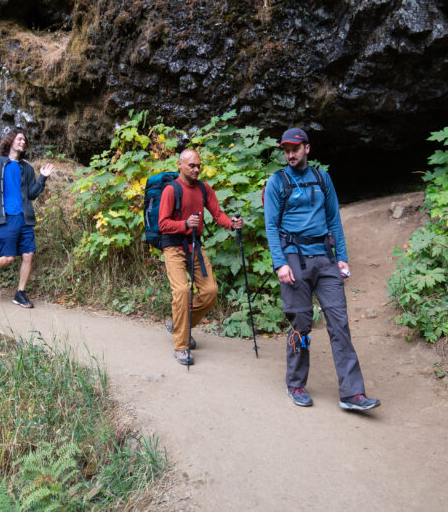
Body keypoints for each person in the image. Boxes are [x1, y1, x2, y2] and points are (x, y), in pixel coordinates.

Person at [263, 128, 380, 411]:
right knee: (301, 324)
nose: (290, 154)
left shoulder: (321, 178)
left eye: (295, 148)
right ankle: (296, 383)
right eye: (286, 150)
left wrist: (342, 257)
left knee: (339, 322)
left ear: (307, 148)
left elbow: (334, 220)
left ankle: (352, 393)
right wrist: (279, 263)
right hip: (293, 258)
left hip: (324, 258)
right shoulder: (277, 182)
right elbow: (271, 226)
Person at [158, 148, 243, 366]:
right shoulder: (171, 190)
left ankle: (178, 323)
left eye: (198, 165)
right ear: (180, 165)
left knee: (210, 291)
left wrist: (231, 224)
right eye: (191, 165)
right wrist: (185, 224)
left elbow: (217, 214)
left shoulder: (204, 189)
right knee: (182, 291)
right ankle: (181, 346)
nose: (196, 169)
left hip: (194, 245)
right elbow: (163, 224)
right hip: (173, 247)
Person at [0, 128, 55, 307]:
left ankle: (20, 293)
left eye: (25, 140)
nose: (23, 142)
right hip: (5, 217)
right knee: (8, 258)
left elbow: (31, 194)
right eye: (19, 139)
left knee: (28, 255)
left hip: (25, 217)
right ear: (10, 141)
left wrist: (42, 179)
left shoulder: (27, 168)